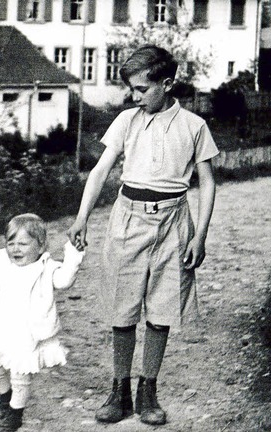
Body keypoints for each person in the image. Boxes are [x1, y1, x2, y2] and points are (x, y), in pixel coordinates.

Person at [67, 45, 219, 426]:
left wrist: (199, 236)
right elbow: (101, 170)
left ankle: (147, 389)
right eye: (131, 90)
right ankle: (119, 390)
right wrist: (82, 217)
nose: (133, 97)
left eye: (140, 89)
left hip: (173, 222)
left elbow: (208, 182)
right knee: (123, 307)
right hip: (128, 220)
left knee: (163, 308)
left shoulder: (193, 126)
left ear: (166, 84)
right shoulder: (126, 121)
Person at [0, 214, 84, 431]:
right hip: (1, 328)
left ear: (41, 245)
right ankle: (4, 396)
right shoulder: (3, 263)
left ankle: (16, 411)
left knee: (20, 372)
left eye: (23, 244)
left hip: (28, 333)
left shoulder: (47, 267)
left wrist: (74, 252)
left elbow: (64, 281)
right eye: (11, 243)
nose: (16, 249)